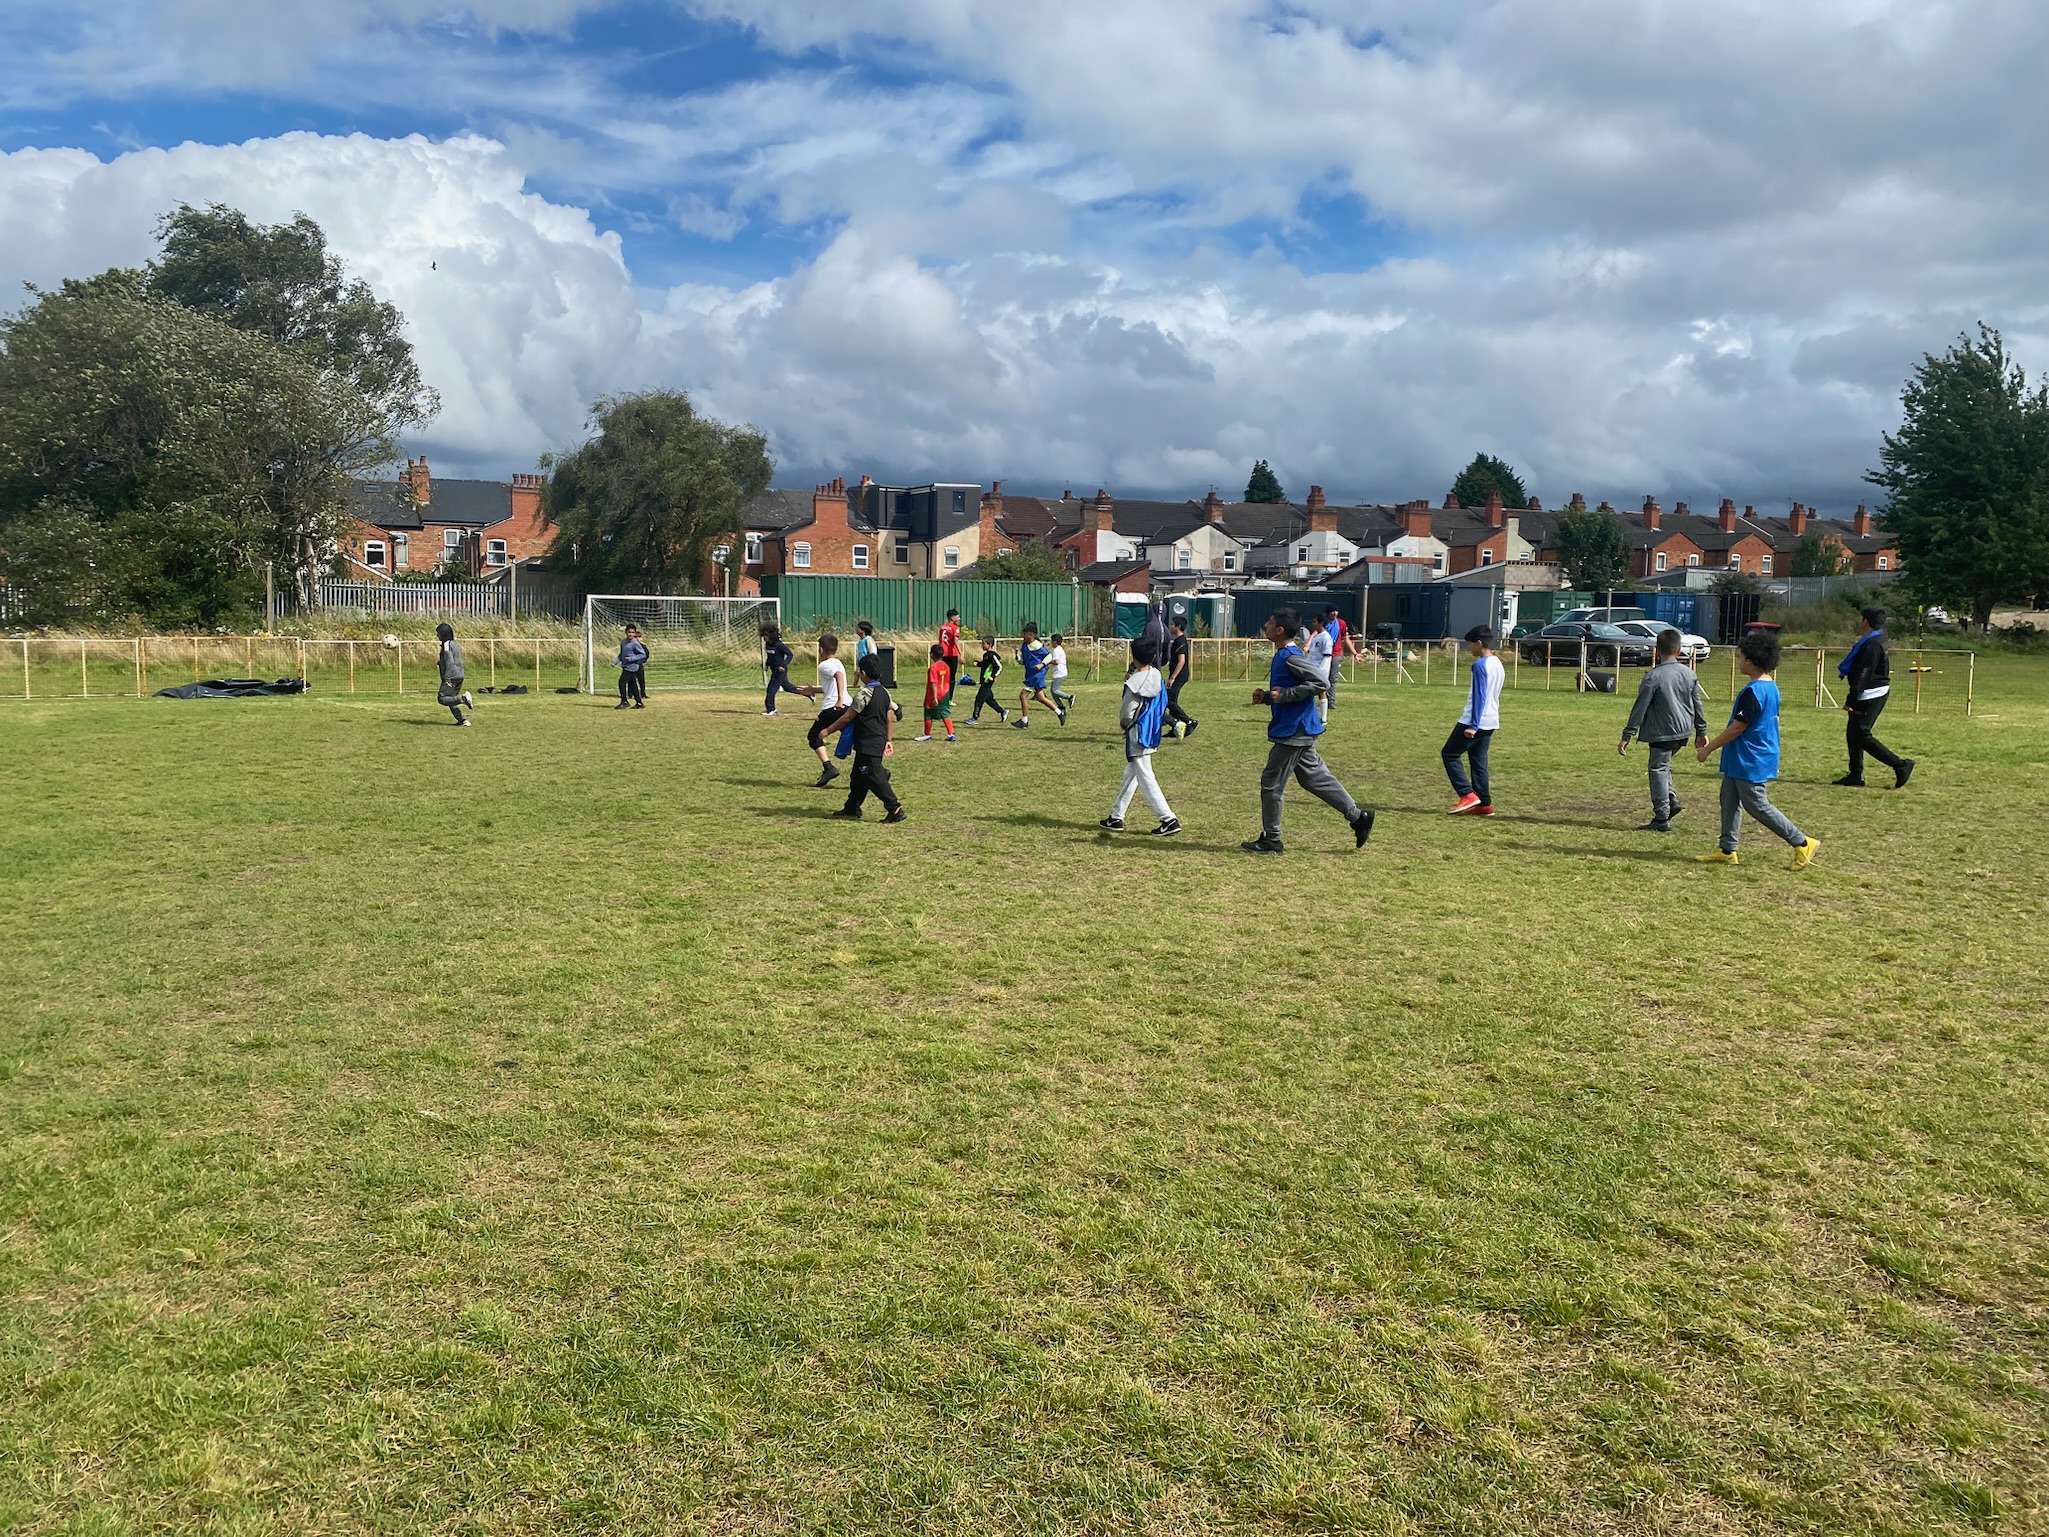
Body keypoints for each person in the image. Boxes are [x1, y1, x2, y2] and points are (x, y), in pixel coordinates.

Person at [1243, 609, 1374, 854]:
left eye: (1270, 622)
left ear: (1280, 629)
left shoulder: (1291, 656)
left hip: (1294, 731)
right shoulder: (1283, 654)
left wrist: (1285, 695)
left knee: (1271, 784)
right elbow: (1289, 690)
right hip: (1299, 728)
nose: (1266, 625)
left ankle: (1272, 839)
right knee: (1315, 778)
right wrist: (1268, 699)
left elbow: (1320, 682)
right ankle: (1358, 817)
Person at [1695, 628, 1819, 869]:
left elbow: (1737, 728)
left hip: (1750, 758)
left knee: (1756, 805)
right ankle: (1727, 849)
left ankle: (1802, 842)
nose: (1739, 660)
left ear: (1750, 662)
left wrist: (1708, 749)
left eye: (1740, 657)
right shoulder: (1770, 686)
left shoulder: (1753, 692)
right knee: (1729, 798)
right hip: (1744, 756)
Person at [1617, 628, 1708, 831]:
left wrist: (1627, 734)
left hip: (1662, 731)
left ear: (1658, 650)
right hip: (1683, 730)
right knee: (1663, 765)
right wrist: (1701, 731)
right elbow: (1697, 704)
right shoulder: (1689, 673)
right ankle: (1671, 801)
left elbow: (1639, 707)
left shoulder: (1653, 676)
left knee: (1657, 769)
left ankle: (1661, 817)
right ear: (1678, 649)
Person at [1099, 639, 1180, 835]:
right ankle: (1116, 817)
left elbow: (1126, 714)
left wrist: (1124, 726)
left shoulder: (1133, 682)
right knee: (1132, 774)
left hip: (1136, 733)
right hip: (1151, 730)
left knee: (1145, 775)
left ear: (1134, 657)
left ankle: (1168, 819)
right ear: (1153, 657)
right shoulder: (1156, 676)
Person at [1836, 606, 1914, 789]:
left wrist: (1851, 699)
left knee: (1861, 734)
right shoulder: (1876, 638)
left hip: (1870, 694)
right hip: (1869, 692)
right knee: (1853, 734)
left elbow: (1865, 673)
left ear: (1865, 621)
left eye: (1860, 618)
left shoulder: (1871, 644)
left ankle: (1900, 765)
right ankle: (1855, 774)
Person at [826, 652, 906, 822]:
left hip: (868, 742)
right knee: (857, 776)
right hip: (876, 740)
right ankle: (852, 807)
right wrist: (889, 740)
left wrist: (827, 730)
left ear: (862, 673)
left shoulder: (863, 694)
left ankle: (895, 808)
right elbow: (888, 717)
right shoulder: (884, 692)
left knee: (873, 776)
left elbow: (848, 717)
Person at [1444, 625, 1504, 815]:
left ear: (1479, 643)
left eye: (1470, 645)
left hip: (1474, 720)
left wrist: (1473, 725)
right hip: (1492, 719)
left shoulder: (1479, 665)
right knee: (1478, 761)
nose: (1469, 648)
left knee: (1450, 754)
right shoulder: (1497, 663)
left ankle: (1467, 794)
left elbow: (1480, 696)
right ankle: (1484, 804)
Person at [804, 634, 853, 787]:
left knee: (814, 736)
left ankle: (828, 768)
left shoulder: (823, 665)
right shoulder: (838, 662)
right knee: (854, 737)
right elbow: (831, 686)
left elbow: (838, 677)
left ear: (820, 649)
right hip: (847, 705)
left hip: (833, 707)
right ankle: (876, 768)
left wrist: (838, 699)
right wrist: (813, 690)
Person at [1014, 623, 1063, 727]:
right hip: (1030, 673)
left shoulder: (1037, 646)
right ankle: (1060, 713)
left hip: (1036, 675)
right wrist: (1017, 657)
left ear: (1031, 635)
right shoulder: (1024, 646)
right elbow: (1024, 662)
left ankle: (1024, 721)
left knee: (1022, 695)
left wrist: (1042, 664)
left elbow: (1049, 656)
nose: (1023, 636)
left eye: (1025, 634)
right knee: (1041, 697)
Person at [1164, 616, 1198, 739]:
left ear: (1178, 626)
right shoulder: (1177, 640)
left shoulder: (1180, 641)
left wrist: (1172, 678)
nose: (1170, 626)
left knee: (1169, 700)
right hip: (1176, 674)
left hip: (1180, 675)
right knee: (1171, 699)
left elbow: (1181, 661)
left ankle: (1188, 721)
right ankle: (1176, 727)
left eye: (1172, 624)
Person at [435, 622, 473, 726]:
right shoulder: (453, 643)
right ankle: (463, 720)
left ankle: (463, 699)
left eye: (438, 633)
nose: (437, 636)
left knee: (442, 698)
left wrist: (447, 678)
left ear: (443, 634)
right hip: (459, 674)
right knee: (451, 699)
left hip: (452, 676)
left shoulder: (447, 645)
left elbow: (450, 661)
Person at [917, 642, 956, 742]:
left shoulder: (933, 668)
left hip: (934, 694)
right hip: (945, 692)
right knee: (945, 713)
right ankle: (951, 733)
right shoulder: (946, 666)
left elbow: (933, 682)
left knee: (928, 713)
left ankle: (927, 734)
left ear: (931, 655)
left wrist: (934, 697)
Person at [1302, 611, 1336, 719]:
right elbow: (1312, 653)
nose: (1313, 623)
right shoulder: (1316, 636)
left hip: (1319, 669)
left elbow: (1327, 656)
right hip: (1310, 667)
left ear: (1321, 623)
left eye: (1314, 621)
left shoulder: (1326, 638)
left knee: (1321, 691)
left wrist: (1321, 671)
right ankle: (1307, 716)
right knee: (1307, 691)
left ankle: (1324, 717)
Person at [965, 636, 1007, 724]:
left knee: (979, 699)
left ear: (990, 644)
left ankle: (974, 718)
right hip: (984, 680)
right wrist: (978, 663)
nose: (982, 645)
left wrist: (993, 676)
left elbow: (999, 666)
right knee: (989, 699)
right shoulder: (986, 655)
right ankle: (1002, 711)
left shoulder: (992, 655)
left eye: (983, 643)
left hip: (988, 681)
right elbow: (985, 664)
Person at [760, 622, 798, 717]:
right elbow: (770, 657)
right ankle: (809, 693)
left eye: (765, 635)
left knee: (770, 690)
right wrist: (766, 665)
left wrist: (784, 665)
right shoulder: (767, 645)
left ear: (771, 635)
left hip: (779, 671)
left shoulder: (779, 645)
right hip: (773, 669)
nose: (764, 638)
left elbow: (790, 654)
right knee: (788, 687)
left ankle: (771, 709)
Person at [614, 623, 648, 709]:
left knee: (621, 682)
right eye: (629, 632)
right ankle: (639, 703)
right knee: (633, 685)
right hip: (625, 666)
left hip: (632, 667)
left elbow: (642, 654)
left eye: (633, 632)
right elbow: (622, 654)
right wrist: (615, 661)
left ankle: (624, 701)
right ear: (626, 632)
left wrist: (632, 658)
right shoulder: (623, 642)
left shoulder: (635, 643)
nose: (631, 634)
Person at [1047, 633, 1075, 717]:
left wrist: (1046, 662)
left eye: (1052, 641)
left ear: (1055, 642)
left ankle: (1069, 697)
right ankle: (1061, 707)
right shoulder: (1060, 649)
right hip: (1061, 672)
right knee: (1053, 692)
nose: (1051, 643)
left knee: (1054, 690)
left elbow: (1056, 661)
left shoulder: (1056, 650)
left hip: (1059, 673)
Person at [939, 608, 963, 691]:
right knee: (952, 677)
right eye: (957, 617)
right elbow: (955, 640)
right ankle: (949, 698)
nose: (959, 619)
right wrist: (961, 654)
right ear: (952, 617)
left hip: (942, 654)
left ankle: (941, 694)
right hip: (951, 654)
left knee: (943, 675)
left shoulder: (943, 627)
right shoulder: (955, 627)